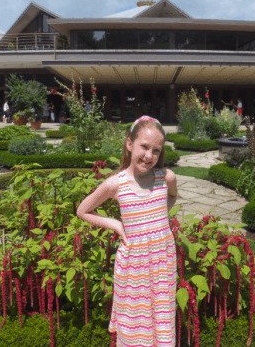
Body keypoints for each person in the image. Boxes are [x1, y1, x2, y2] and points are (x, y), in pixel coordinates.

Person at [77, 116, 178, 346]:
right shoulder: (116, 184)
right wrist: (117, 225)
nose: (149, 155)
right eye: (144, 146)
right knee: (134, 323)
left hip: (162, 262)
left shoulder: (166, 178)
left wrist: (160, 218)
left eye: (156, 150)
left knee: (162, 318)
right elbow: (83, 210)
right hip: (134, 264)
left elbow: (172, 197)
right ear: (129, 144)